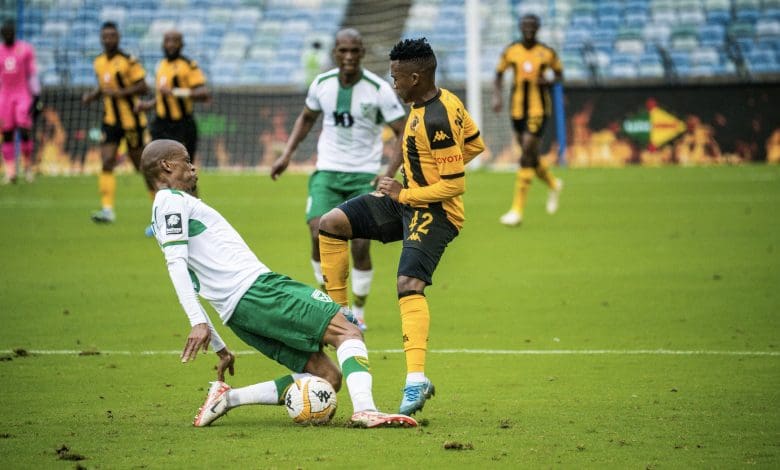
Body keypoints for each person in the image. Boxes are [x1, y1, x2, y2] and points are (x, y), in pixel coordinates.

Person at [141, 139, 417, 429]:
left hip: (238, 314)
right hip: (258, 292)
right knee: (347, 330)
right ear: (167, 165)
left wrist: (220, 344)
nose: (193, 166)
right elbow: (177, 264)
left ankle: (227, 398)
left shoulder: (170, 206)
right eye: (186, 160)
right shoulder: (170, 200)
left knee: (327, 378)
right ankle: (366, 410)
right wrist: (198, 322)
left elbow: (195, 276)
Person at [318, 38, 485, 416]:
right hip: (404, 198)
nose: (392, 83)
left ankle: (415, 380)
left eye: (396, 77)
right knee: (331, 224)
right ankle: (341, 317)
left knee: (408, 284)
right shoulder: (429, 103)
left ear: (415, 76)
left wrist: (408, 192)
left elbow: (455, 184)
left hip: (436, 211)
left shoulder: (439, 117)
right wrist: (392, 174)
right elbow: (473, 144)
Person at [271, 28, 406, 331]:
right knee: (318, 232)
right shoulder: (322, 84)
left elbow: (403, 130)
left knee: (359, 244)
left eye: (354, 51)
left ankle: (358, 310)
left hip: (364, 176)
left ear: (362, 53)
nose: (348, 57)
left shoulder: (378, 89)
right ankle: (332, 304)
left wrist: (388, 173)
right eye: (343, 51)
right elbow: (306, 118)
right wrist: (287, 154)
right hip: (328, 172)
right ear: (335, 52)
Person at [492, 14, 564, 227]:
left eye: (532, 26)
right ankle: (553, 183)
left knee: (526, 153)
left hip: (539, 110)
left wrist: (549, 80)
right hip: (516, 110)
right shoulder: (511, 50)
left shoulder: (547, 53)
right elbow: (498, 75)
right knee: (530, 155)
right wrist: (496, 96)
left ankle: (517, 211)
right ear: (520, 28)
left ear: (538, 28)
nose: (529, 29)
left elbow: (559, 74)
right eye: (525, 26)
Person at [82, 21, 150, 223]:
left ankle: (159, 213)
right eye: (104, 36)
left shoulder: (129, 61)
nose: (108, 39)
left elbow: (144, 87)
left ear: (118, 37)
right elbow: (104, 87)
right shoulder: (99, 62)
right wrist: (92, 96)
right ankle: (107, 210)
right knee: (106, 161)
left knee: (142, 167)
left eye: (112, 36)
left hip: (132, 121)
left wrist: (120, 93)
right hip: (110, 120)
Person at [136, 30, 209, 185]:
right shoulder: (161, 65)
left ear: (181, 44)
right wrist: (148, 105)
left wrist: (175, 92)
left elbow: (203, 93)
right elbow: (161, 96)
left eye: (174, 41)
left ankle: (193, 207)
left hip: (182, 124)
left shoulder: (188, 65)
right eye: (167, 41)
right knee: (157, 170)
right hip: (161, 124)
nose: (170, 45)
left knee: (185, 174)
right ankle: (163, 206)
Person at [0, 19, 40, 184]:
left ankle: (28, 168)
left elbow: (32, 74)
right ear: (2, 35)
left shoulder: (25, 50)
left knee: (24, 131)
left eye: (11, 32)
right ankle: (10, 173)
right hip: (5, 96)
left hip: (22, 94)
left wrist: (37, 94)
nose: (8, 35)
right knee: (7, 134)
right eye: (5, 33)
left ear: (15, 33)